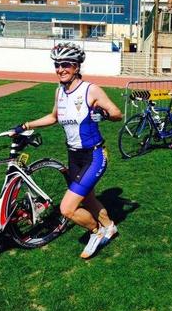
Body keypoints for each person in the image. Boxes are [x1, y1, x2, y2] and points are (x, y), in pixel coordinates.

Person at [13, 42, 122, 259]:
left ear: (76, 67)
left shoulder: (90, 90)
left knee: (67, 208)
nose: (61, 69)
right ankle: (109, 226)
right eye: (57, 65)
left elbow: (117, 113)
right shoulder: (59, 92)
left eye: (66, 65)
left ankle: (96, 231)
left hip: (94, 155)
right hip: (74, 155)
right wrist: (25, 125)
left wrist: (104, 114)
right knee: (88, 198)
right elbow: (53, 117)